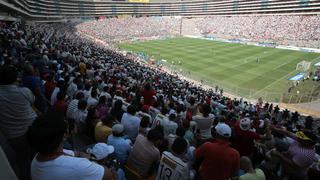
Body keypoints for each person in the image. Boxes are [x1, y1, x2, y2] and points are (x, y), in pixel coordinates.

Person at [26, 110, 116, 180]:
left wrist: (90, 158)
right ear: (64, 136)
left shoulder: (39, 156)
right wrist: (97, 162)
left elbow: (77, 153)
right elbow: (108, 175)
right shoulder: (78, 166)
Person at [0, 65, 37, 180]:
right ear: (16, 78)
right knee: (35, 154)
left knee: (22, 160)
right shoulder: (23, 91)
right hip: (31, 129)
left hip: (13, 135)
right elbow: (32, 101)